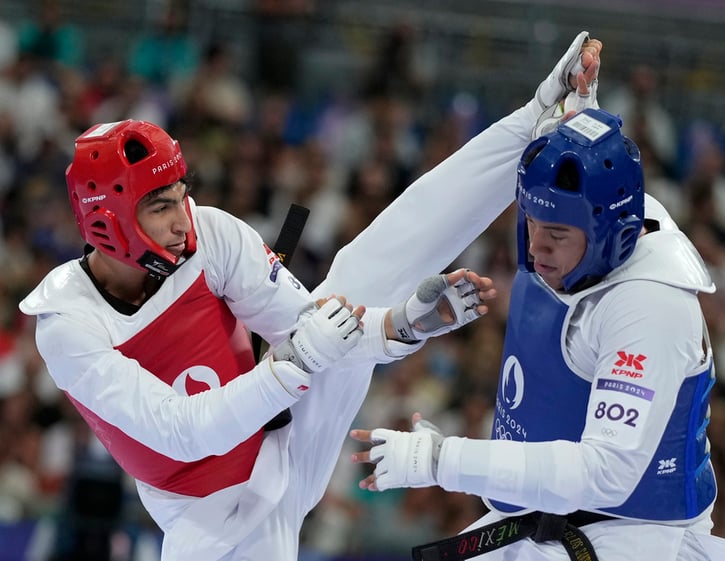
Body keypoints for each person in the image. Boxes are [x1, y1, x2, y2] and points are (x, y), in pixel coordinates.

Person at [18, 30, 603, 561]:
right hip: (217, 523)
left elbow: (311, 325)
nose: (181, 219)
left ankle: (533, 126)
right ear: (110, 220)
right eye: (160, 206)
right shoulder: (67, 324)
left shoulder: (210, 234)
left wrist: (400, 324)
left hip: (289, 433)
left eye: (180, 194)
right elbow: (183, 431)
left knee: (356, 274)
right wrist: (296, 358)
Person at [350, 109, 725, 561]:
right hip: (535, 522)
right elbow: (585, 163)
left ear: (610, 234)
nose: (536, 246)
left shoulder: (648, 307)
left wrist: (442, 460)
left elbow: (606, 473)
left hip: (629, 538)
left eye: (557, 234)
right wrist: (570, 105)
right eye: (531, 222)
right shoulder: (577, 225)